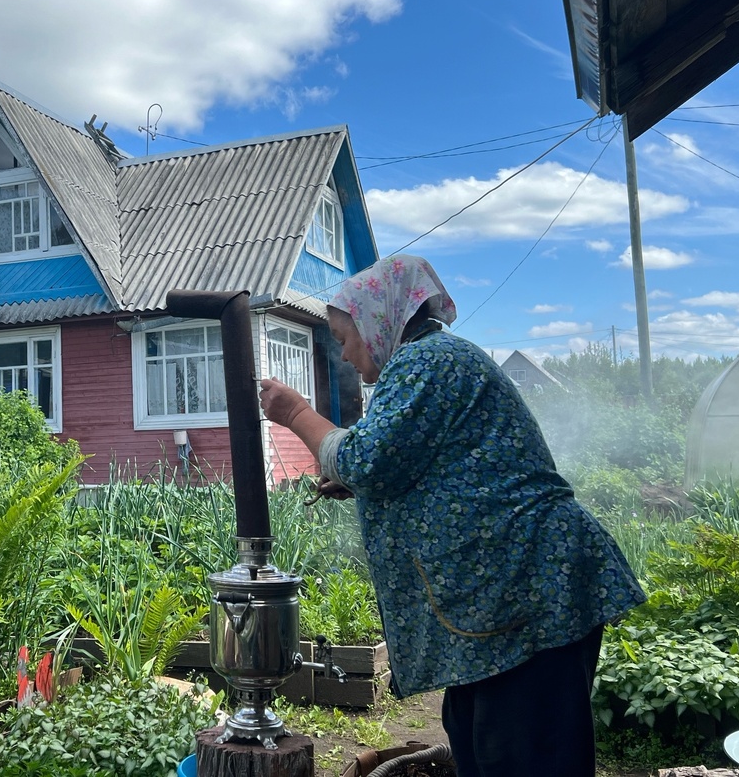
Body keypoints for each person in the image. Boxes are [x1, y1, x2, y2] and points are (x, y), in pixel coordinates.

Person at [259, 254, 644, 777]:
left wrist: (296, 414)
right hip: (505, 600)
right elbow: (419, 463)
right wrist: (358, 482)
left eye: (344, 338)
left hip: (524, 591)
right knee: (479, 740)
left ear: (377, 324)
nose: (344, 355)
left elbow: (366, 459)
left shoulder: (427, 362)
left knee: (519, 753)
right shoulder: (430, 363)